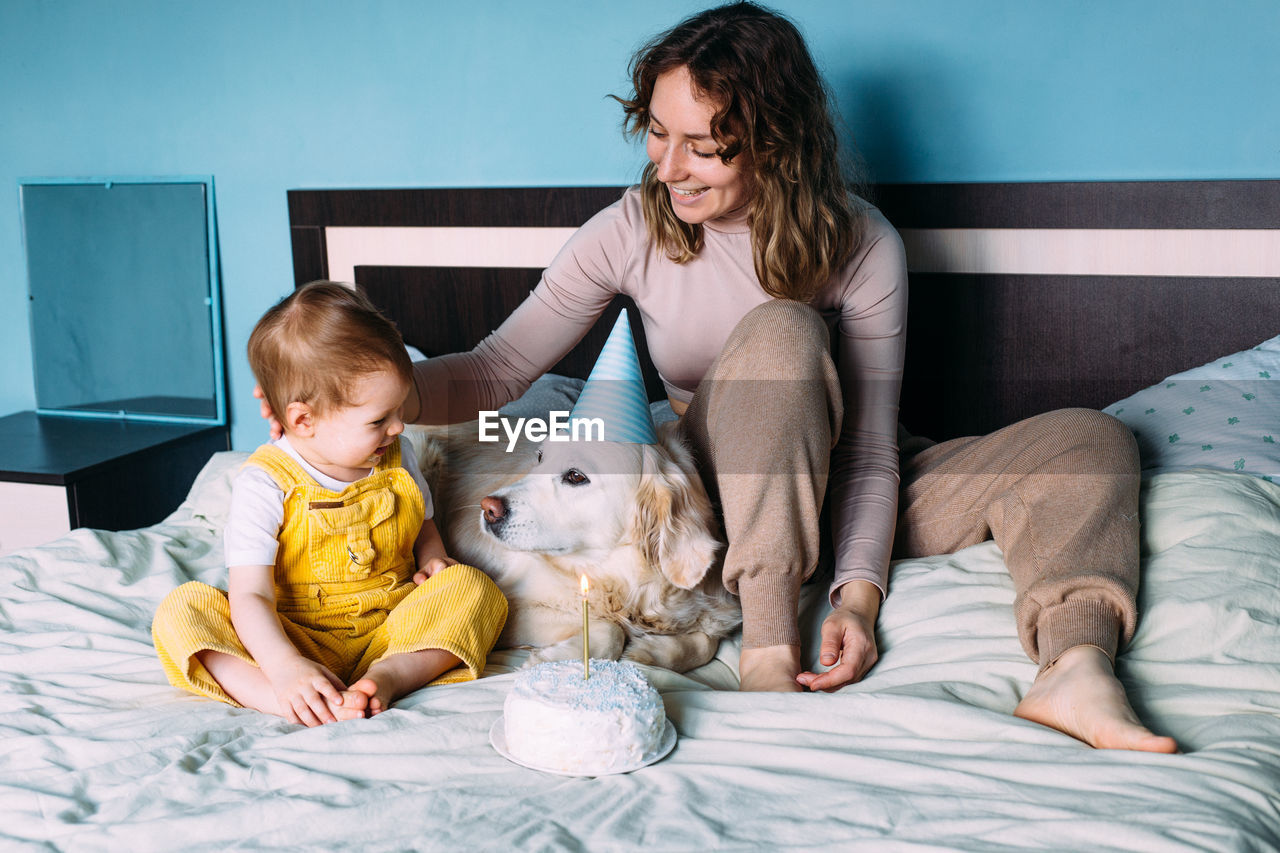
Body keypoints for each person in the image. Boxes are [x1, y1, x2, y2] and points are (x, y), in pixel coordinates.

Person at [271, 4, 1176, 752]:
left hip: (836, 481)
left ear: (775, 144)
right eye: (657, 134)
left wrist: (858, 596)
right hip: (702, 478)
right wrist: (372, 390)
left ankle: (1076, 667)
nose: (667, 168)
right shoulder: (633, 225)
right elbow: (504, 367)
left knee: (1090, 442)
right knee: (780, 332)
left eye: (703, 146)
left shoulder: (863, 247)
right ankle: (768, 653)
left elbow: (865, 451)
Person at [154, 281, 507, 726]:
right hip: (294, 637)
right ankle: (282, 697)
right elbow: (251, 594)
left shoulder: (399, 458)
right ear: (303, 420)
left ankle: (389, 677)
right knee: (182, 611)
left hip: (391, 626)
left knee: (475, 589)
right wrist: (284, 667)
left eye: (399, 409)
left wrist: (434, 559)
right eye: (380, 419)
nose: (399, 427)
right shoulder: (265, 483)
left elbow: (423, 524)